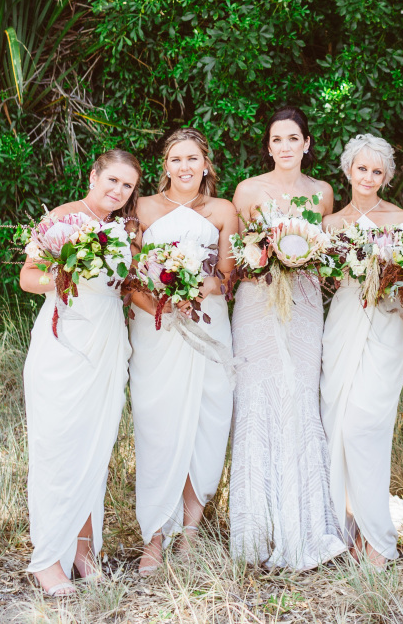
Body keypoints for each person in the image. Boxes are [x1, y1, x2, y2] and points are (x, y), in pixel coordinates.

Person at [228, 106, 348, 569]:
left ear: (306, 144)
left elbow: (325, 253)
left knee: (300, 394)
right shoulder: (247, 190)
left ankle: (305, 524)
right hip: (258, 304)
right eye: (277, 139)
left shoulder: (322, 192)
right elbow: (239, 256)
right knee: (257, 397)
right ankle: (257, 531)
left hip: (304, 302)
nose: (284, 147)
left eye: (293, 138)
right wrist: (264, 256)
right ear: (268, 145)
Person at [19, 149, 141, 597]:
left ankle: (83, 551)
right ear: (93, 176)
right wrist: (67, 273)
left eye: (127, 186)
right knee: (58, 446)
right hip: (65, 341)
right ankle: (48, 559)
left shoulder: (124, 230)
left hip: (107, 342)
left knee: (95, 446)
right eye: (112, 180)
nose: (118, 191)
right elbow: (27, 278)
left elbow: (125, 288)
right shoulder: (62, 218)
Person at [127, 129, 240, 575]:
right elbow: (128, 277)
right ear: (165, 166)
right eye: (176, 159)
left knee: (208, 421)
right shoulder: (142, 208)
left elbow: (229, 277)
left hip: (208, 324)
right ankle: (155, 535)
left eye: (193, 158)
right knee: (158, 425)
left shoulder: (223, 210)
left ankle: (190, 532)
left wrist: (202, 286)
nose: (185, 167)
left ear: (206, 164)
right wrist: (163, 306)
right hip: (157, 329)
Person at [319, 133, 403, 569]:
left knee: (366, 427)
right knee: (337, 426)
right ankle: (350, 527)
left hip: (385, 324)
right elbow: (324, 281)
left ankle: (378, 537)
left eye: (377, 171)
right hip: (343, 323)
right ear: (348, 170)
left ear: (387, 177)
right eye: (362, 168)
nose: (368, 177)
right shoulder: (330, 224)